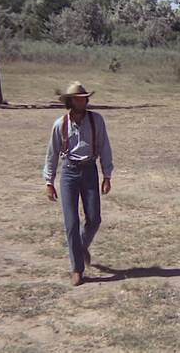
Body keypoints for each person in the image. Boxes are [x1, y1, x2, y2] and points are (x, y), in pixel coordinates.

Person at [43, 81, 114, 286]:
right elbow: (52, 154)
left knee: (94, 218)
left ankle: (81, 246)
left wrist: (107, 175)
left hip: (90, 170)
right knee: (71, 223)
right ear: (70, 101)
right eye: (78, 98)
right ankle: (77, 268)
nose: (83, 101)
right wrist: (49, 181)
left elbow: (104, 147)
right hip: (68, 172)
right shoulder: (60, 125)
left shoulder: (96, 121)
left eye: (84, 98)